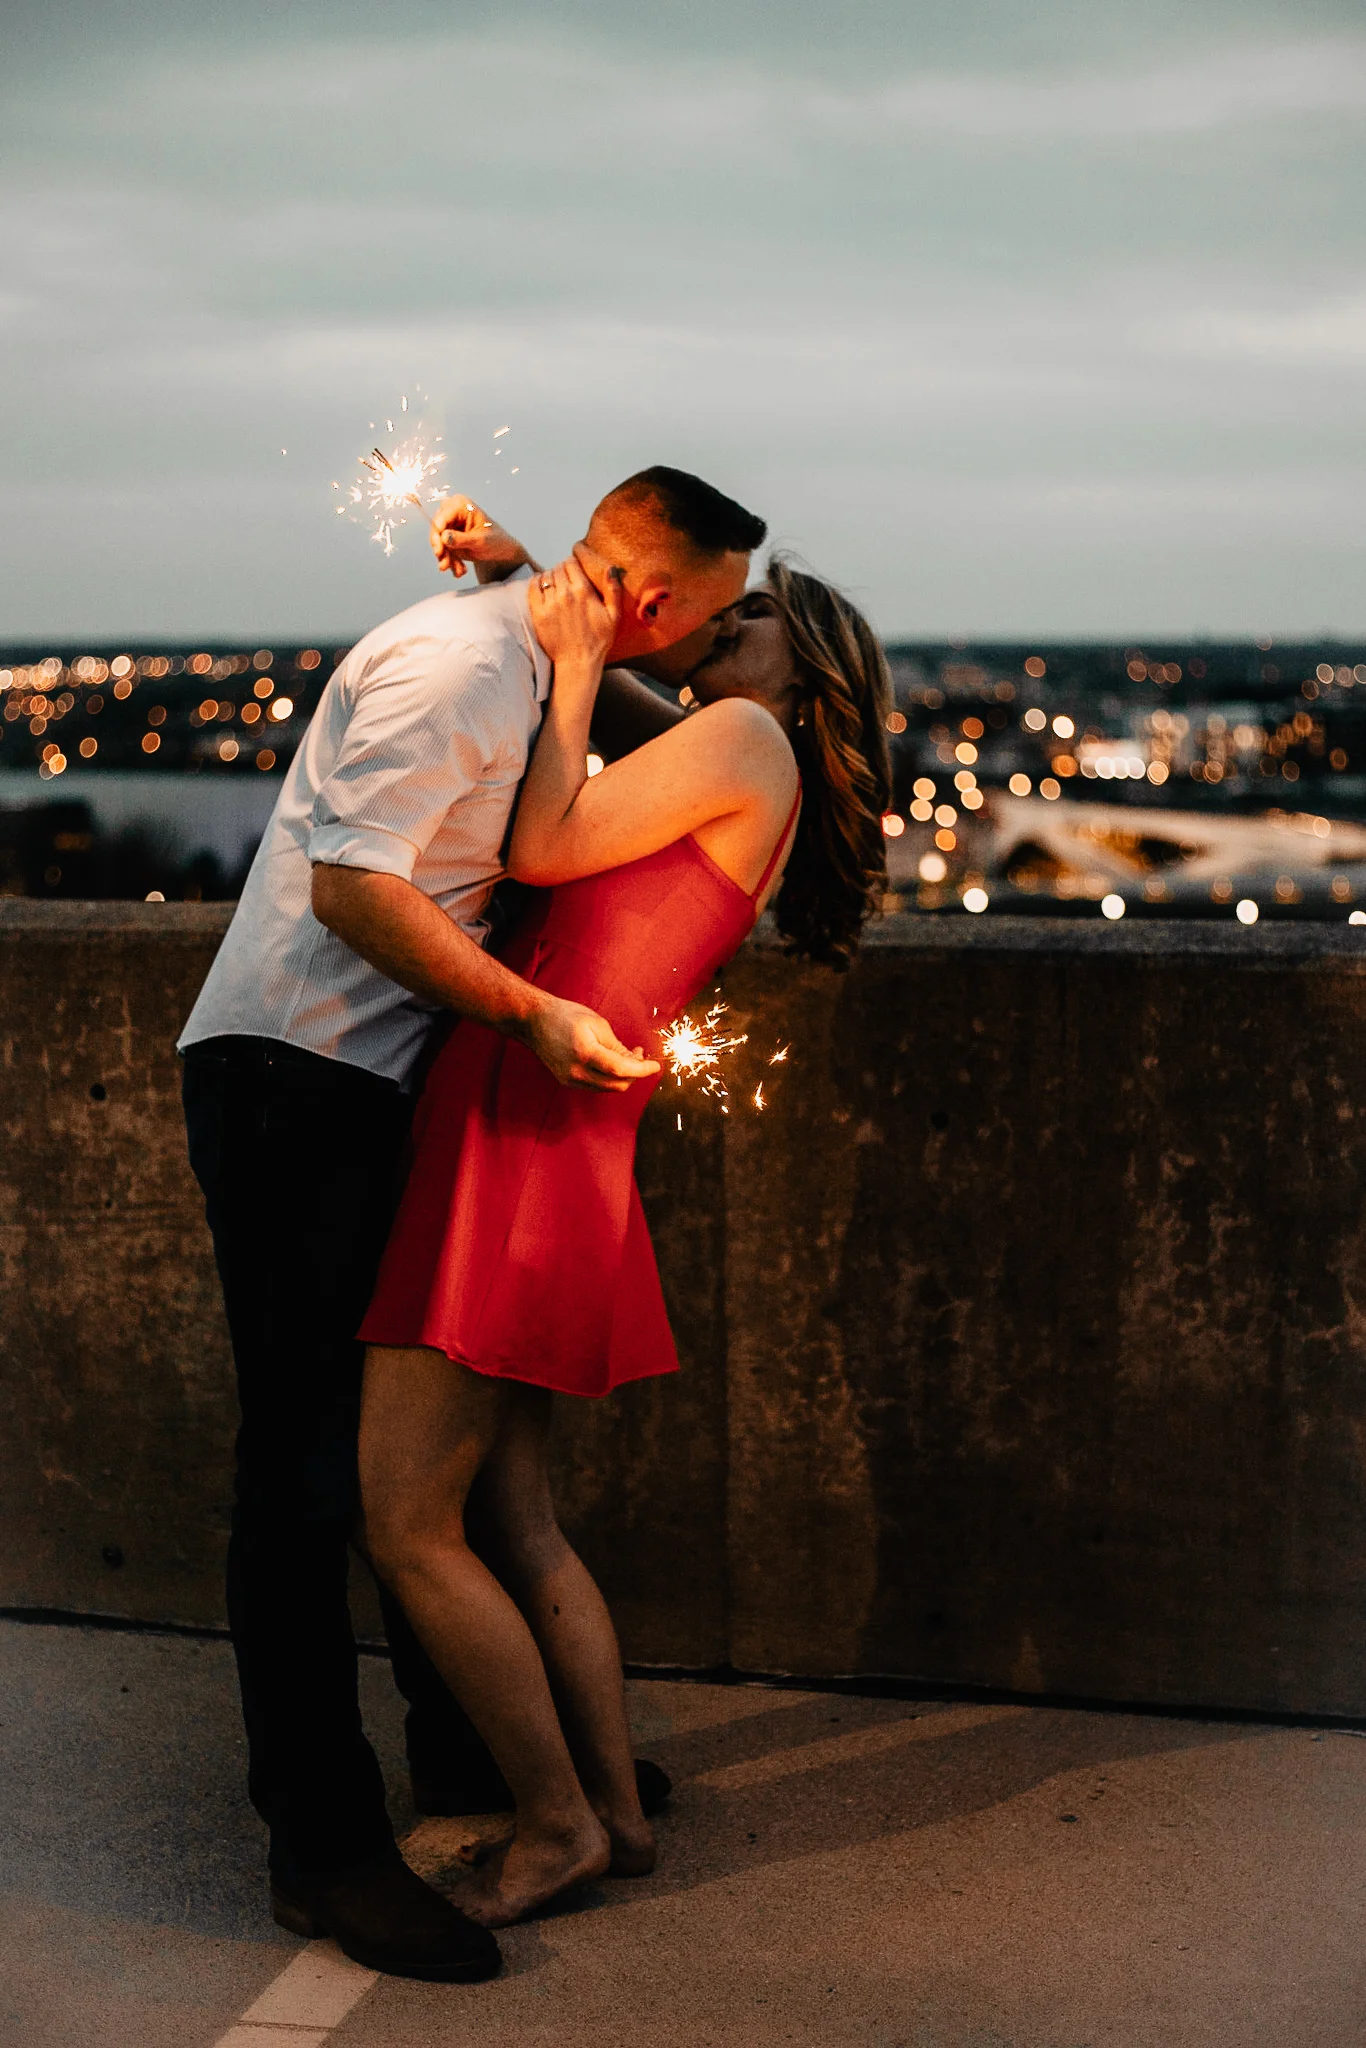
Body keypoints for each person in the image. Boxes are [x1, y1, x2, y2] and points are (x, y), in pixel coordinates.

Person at [178, 468, 765, 1982]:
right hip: (295, 1069)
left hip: (391, 1079)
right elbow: (355, 891)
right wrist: (536, 1017)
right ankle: (323, 1849)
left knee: (396, 1454)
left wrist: (528, 575)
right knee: (307, 1475)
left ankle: (460, 1760)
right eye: (703, 623)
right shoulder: (462, 664)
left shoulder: (536, 657)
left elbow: (652, 751)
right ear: (648, 601)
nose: (701, 655)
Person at [356, 543, 894, 1926]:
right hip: (558, 1131)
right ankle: (608, 1816)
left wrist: (583, 655)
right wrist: (552, 587)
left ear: (808, 660)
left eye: (754, 612)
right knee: (513, 1516)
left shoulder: (743, 738)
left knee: (407, 1517)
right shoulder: (746, 755)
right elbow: (619, 744)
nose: (726, 621)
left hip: (519, 1120)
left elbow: (540, 844)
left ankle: (552, 1828)